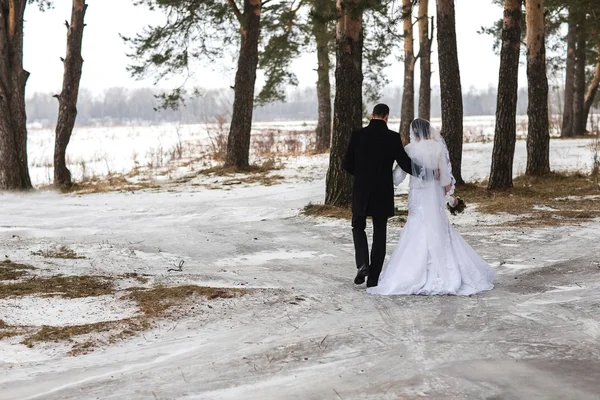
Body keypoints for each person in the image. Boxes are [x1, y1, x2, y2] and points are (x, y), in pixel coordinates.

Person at [367, 118, 495, 295]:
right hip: (433, 194)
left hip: (417, 194)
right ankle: (448, 271)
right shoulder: (437, 147)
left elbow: (397, 178)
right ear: (428, 130)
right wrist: (450, 196)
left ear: (414, 132)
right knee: (438, 226)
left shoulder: (409, 150)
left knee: (416, 226)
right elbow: (444, 177)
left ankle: (410, 272)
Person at [343, 104, 432, 288]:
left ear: (372, 115)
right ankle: (373, 278)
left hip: (361, 189)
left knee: (358, 226)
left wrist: (361, 175)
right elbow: (405, 164)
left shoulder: (357, 134)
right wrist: (428, 173)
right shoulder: (392, 137)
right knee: (379, 232)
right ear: (387, 117)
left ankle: (362, 264)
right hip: (382, 191)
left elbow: (347, 164)